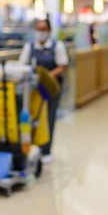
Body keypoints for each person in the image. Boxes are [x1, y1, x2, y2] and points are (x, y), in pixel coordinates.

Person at [19, 19, 69, 164]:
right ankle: (32, 146)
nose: (40, 32)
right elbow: (22, 64)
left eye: (43, 29)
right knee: (33, 116)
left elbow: (63, 65)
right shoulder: (30, 46)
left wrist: (47, 76)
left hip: (50, 88)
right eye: (38, 29)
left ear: (49, 30)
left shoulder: (56, 46)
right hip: (34, 89)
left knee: (48, 117)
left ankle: (46, 150)